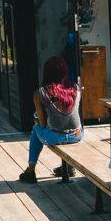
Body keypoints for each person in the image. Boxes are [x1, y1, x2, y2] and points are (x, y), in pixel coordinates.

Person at [19, 54, 84, 183]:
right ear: (65, 72)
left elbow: (43, 124)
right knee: (63, 126)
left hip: (56, 137)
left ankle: (30, 172)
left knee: (36, 129)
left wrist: (37, 118)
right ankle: (68, 168)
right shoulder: (76, 89)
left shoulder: (41, 93)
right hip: (77, 135)